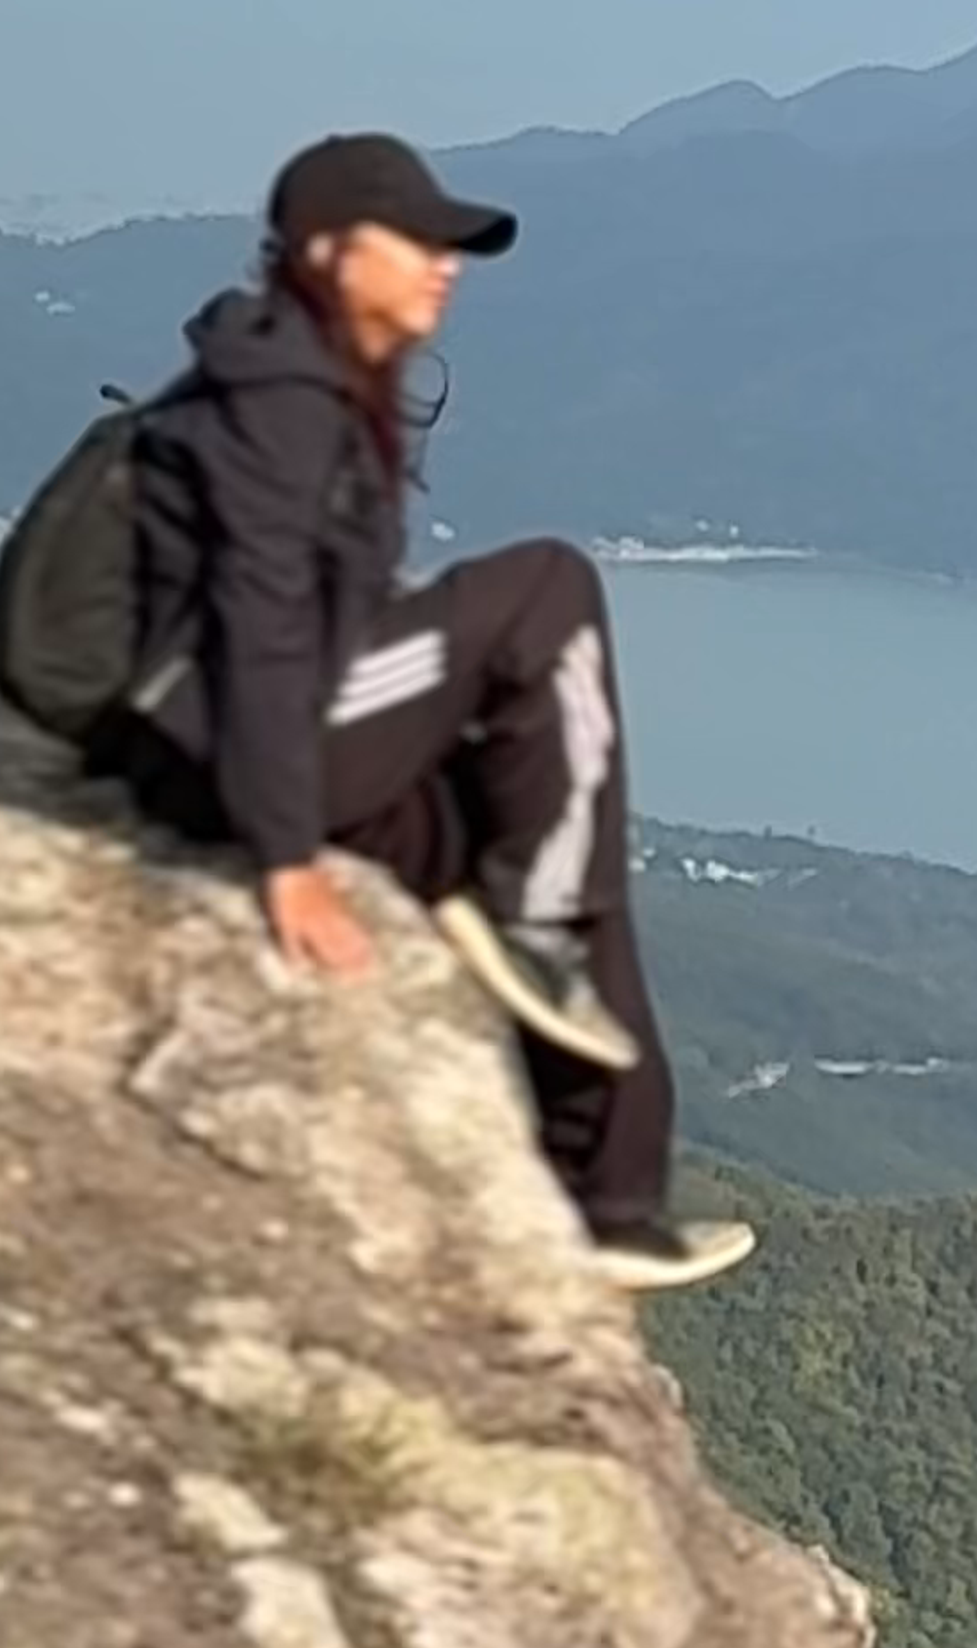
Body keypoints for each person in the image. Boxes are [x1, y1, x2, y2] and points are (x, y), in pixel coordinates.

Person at [112, 128, 752, 1291]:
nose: (443, 264)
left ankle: (607, 1199)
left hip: (286, 725)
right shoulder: (275, 407)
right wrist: (287, 853)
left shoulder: (315, 388)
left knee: (544, 824)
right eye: (415, 242)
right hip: (241, 748)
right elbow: (257, 637)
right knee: (550, 591)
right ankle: (545, 948)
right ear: (324, 252)